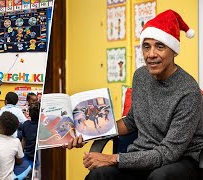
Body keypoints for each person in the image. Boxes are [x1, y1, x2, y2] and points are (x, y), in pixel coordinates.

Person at [66, 10, 203, 180]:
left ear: (174, 51)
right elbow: (131, 121)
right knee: (98, 175)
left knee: (160, 177)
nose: (151, 54)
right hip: (144, 156)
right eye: (146, 46)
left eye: (160, 46)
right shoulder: (141, 76)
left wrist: (113, 158)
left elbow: (168, 153)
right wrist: (86, 133)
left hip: (181, 161)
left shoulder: (189, 91)